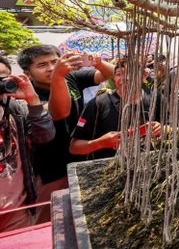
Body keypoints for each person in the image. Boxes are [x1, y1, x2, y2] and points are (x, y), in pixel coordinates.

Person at [17, 44, 115, 218]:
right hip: (50, 167)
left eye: (54, 62)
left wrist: (97, 62)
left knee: (83, 212)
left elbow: (110, 74)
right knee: (52, 217)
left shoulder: (72, 77)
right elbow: (61, 112)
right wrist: (58, 75)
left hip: (81, 156)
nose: (50, 68)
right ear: (27, 73)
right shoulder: (27, 94)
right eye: (42, 65)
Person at [70, 58, 162, 159]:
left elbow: (176, 127)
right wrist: (101, 143)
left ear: (143, 76)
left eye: (131, 73)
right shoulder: (98, 104)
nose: (125, 78)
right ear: (114, 78)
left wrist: (162, 128)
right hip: (108, 169)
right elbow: (74, 147)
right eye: (119, 74)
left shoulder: (155, 97)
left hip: (148, 166)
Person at [0, 73, 55, 232]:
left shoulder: (15, 108)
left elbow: (45, 136)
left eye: (3, 78)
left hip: (16, 210)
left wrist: (32, 100)